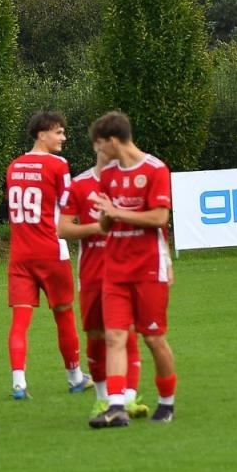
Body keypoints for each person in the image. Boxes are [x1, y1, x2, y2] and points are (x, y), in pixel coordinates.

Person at [86, 111, 176, 428]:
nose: (99, 152)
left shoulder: (155, 170)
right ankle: (115, 406)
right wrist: (105, 214)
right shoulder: (108, 176)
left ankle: (167, 401)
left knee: (153, 338)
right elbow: (105, 224)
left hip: (148, 268)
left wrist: (117, 211)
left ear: (112, 141)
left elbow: (158, 218)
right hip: (115, 269)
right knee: (114, 337)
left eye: (100, 145)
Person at [4, 111, 89, 399]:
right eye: (59, 132)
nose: (63, 137)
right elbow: (68, 202)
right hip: (51, 252)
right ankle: (75, 377)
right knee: (64, 315)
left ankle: (19, 383)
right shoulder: (57, 165)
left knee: (20, 321)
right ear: (42, 134)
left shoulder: (14, 166)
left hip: (20, 255)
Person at [60, 147, 147, 419]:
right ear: (97, 145)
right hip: (92, 275)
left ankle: (127, 399)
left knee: (126, 333)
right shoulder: (80, 184)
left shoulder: (131, 184)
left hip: (126, 272)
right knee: (96, 337)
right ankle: (102, 399)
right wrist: (99, 227)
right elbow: (63, 229)